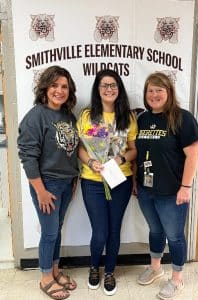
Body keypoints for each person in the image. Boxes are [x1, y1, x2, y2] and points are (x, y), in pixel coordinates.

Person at [133, 72, 198, 300]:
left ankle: (176, 279)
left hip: (172, 192)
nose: (154, 94)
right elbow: (139, 154)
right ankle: (155, 268)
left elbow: (194, 155)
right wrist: (136, 181)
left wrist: (186, 187)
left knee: (174, 236)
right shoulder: (142, 119)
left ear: (169, 92)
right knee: (155, 230)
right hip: (146, 189)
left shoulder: (182, 118)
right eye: (150, 90)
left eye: (159, 90)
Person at [17, 65, 80, 300]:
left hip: (67, 182)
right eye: (54, 85)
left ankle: (54, 270)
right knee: (50, 232)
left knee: (57, 230)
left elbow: (71, 150)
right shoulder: (36, 116)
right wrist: (41, 191)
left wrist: (74, 177)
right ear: (45, 88)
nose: (59, 90)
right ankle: (45, 278)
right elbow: (28, 156)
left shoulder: (68, 116)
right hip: (47, 184)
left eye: (64, 86)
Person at [77, 69, 137, 296]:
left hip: (119, 180)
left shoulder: (128, 117)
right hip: (92, 181)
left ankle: (110, 271)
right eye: (104, 85)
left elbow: (133, 150)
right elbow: (80, 148)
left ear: (119, 89)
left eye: (113, 85)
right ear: (97, 89)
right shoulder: (86, 115)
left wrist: (120, 158)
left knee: (114, 230)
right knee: (100, 232)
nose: (109, 89)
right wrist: (91, 162)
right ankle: (94, 267)